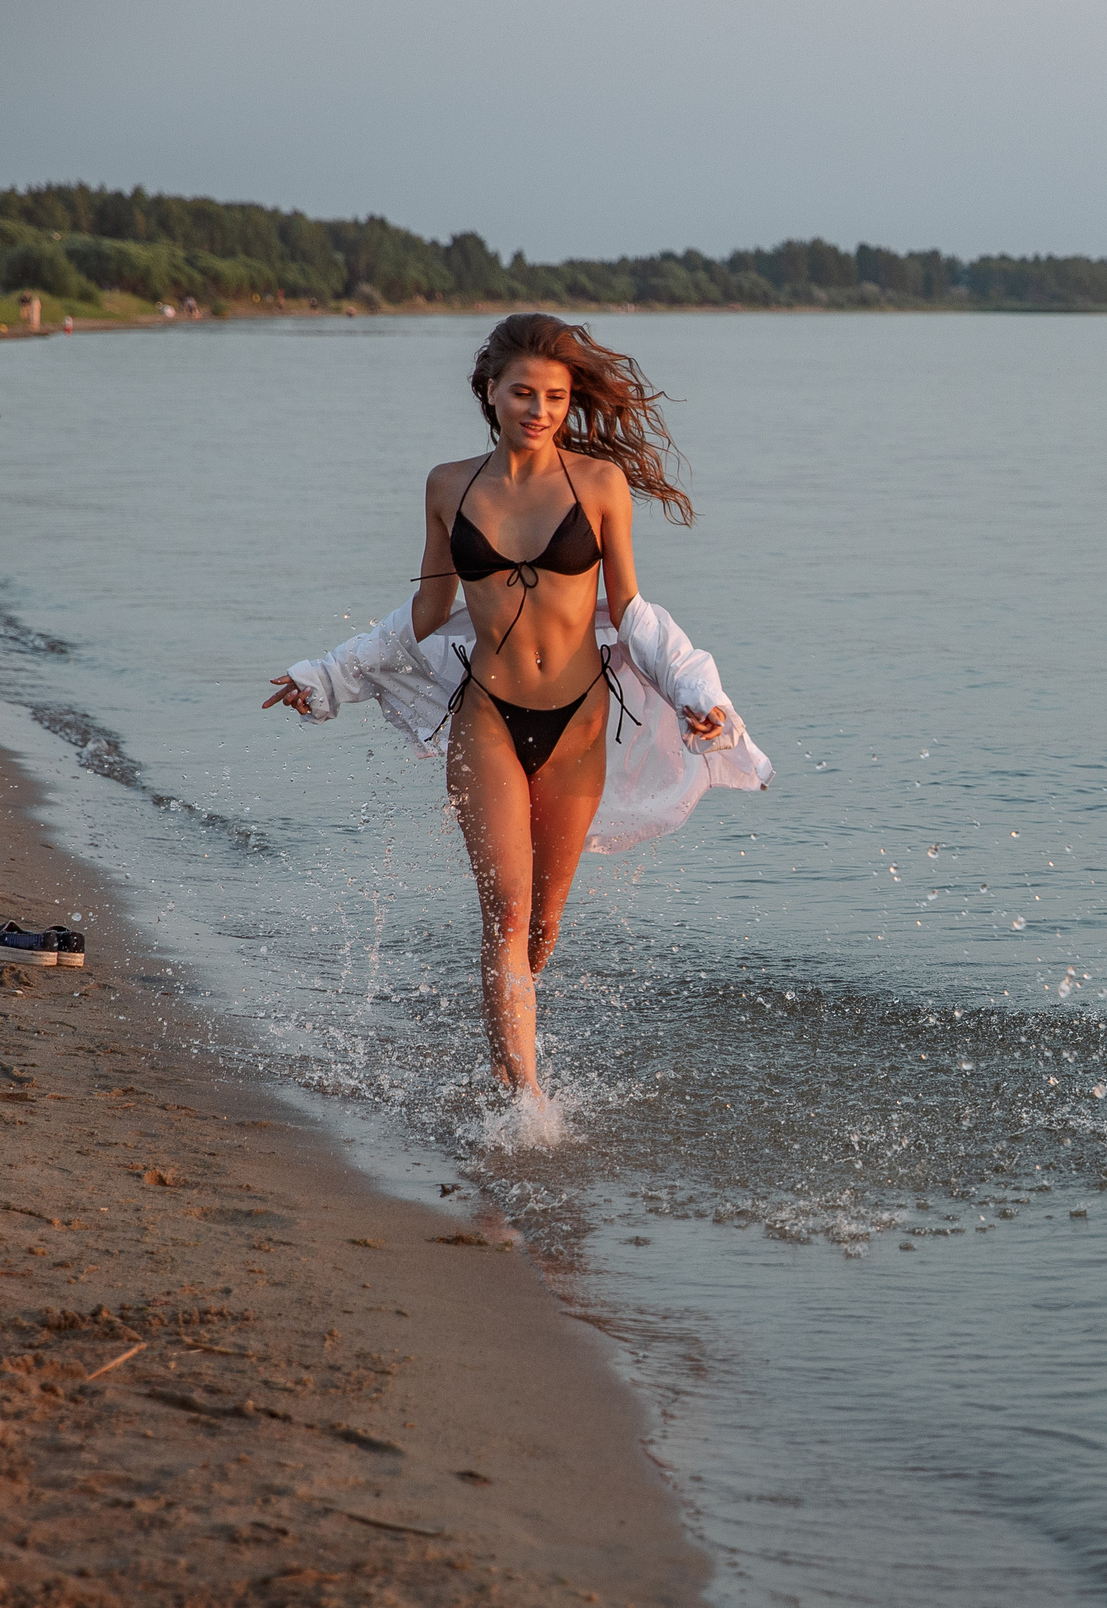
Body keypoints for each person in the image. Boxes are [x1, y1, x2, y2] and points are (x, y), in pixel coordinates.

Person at [263, 313, 769, 1101]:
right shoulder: (448, 484)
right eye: (523, 393)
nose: (540, 409)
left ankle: (503, 1043)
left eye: (556, 397)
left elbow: (632, 613)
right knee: (503, 916)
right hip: (488, 716)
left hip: (579, 725)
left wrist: (701, 697)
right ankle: (525, 1103)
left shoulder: (598, 486)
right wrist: (327, 676)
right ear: (490, 393)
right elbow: (426, 616)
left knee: (540, 929)